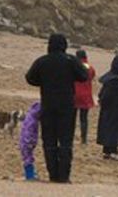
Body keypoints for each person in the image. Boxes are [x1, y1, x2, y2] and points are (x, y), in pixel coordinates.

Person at [25, 33, 89, 183]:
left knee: (49, 140)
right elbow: (83, 76)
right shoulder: (70, 60)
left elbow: (29, 78)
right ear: (64, 45)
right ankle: (64, 176)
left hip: (48, 104)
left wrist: (43, 81)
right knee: (66, 141)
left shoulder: (42, 61)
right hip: (67, 106)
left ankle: (53, 175)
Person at [96, 55, 118, 160]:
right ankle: (112, 151)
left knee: (108, 129)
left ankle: (107, 151)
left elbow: (103, 95)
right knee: (113, 131)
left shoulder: (110, 78)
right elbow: (108, 96)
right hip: (114, 109)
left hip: (109, 109)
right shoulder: (115, 81)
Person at [73, 49, 96, 145]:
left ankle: (70, 135)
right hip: (86, 95)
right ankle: (84, 139)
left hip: (74, 94)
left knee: (72, 118)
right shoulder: (90, 67)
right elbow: (92, 76)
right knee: (84, 118)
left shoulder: (74, 66)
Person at [18, 101, 42, 181]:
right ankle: (30, 175)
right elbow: (29, 131)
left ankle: (30, 173)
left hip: (24, 140)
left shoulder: (29, 117)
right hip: (27, 141)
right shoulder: (32, 120)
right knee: (28, 158)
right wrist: (30, 141)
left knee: (27, 158)